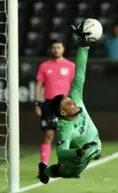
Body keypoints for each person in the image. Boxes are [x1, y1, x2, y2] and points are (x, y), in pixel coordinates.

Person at [38, 20, 102, 184]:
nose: (72, 102)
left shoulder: (76, 98)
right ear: (64, 113)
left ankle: (93, 151)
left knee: (95, 147)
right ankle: (45, 171)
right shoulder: (64, 128)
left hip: (93, 143)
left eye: (69, 99)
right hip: (76, 162)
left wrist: (83, 45)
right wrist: (78, 153)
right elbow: (61, 152)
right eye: (67, 104)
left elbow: (80, 73)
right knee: (62, 170)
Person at [35, 39, 75, 170]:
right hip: (48, 104)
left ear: (63, 49)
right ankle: (44, 164)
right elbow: (39, 85)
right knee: (48, 134)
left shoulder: (70, 66)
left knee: (65, 136)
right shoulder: (44, 66)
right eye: (54, 47)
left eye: (58, 47)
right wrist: (37, 103)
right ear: (51, 50)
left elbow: (75, 86)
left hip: (65, 104)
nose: (56, 50)